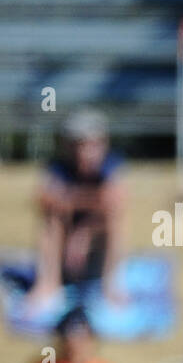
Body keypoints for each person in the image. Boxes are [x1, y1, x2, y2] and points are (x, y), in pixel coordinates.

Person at [29, 110, 128, 309]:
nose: (85, 152)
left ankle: (112, 284)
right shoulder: (58, 166)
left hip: (94, 241)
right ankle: (48, 283)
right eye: (79, 145)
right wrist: (90, 200)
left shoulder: (111, 163)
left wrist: (83, 233)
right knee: (52, 219)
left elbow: (116, 200)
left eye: (92, 145)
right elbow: (44, 200)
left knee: (114, 219)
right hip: (64, 240)